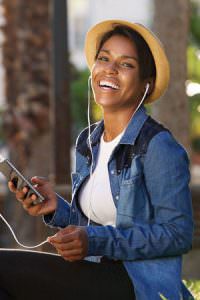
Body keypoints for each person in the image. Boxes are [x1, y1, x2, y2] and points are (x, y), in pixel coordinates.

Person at [0, 19, 194, 300]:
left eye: (126, 64)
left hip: (138, 285)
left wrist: (95, 241)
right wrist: (57, 209)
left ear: (145, 85)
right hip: (95, 275)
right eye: (104, 58)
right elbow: (96, 220)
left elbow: (178, 234)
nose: (110, 69)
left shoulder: (157, 145)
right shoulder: (88, 142)